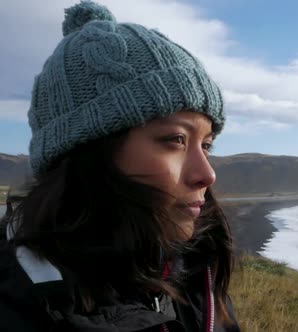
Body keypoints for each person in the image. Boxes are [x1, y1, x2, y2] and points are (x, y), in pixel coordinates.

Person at [0, 1, 240, 331]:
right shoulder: (18, 308)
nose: (207, 174)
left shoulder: (197, 274)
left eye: (207, 145)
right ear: (87, 151)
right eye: (175, 140)